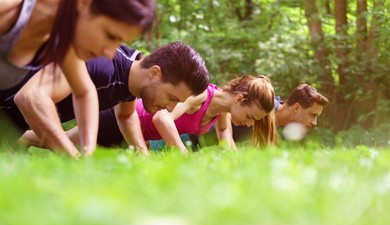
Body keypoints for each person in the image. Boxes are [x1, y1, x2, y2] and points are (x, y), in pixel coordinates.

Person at [0, 0, 155, 156]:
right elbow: (30, 97)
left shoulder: (63, 38)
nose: (110, 53)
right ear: (83, 3)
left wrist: (87, 153)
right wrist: (71, 155)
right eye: (110, 35)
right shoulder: (8, 10)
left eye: (119, 42)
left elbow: (85, 92)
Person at [18, 42, 209, 154]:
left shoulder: (131, 77)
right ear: (154, 73)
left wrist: (142, 153)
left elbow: (126, 116)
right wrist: (73, 156)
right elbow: (33, 97)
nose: (170, 108)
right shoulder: (102, 64)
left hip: (13, 125)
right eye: (171, 97)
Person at [61, 75, 277, 154]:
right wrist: (182, 152)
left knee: (70, 150)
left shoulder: (223, 112)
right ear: (239, 99)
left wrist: (236, 167)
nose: (249, 125)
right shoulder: (201, 95)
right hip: (123, 119)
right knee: (57, 143)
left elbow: (225, 138)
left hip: (135, 136)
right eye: (250, 117)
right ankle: (26, 130)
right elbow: (161, 118)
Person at [231, 83, 329, 142]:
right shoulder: (261, 108)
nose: (314, 122)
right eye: (313, 115)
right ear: (296, 108)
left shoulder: (275, 123)